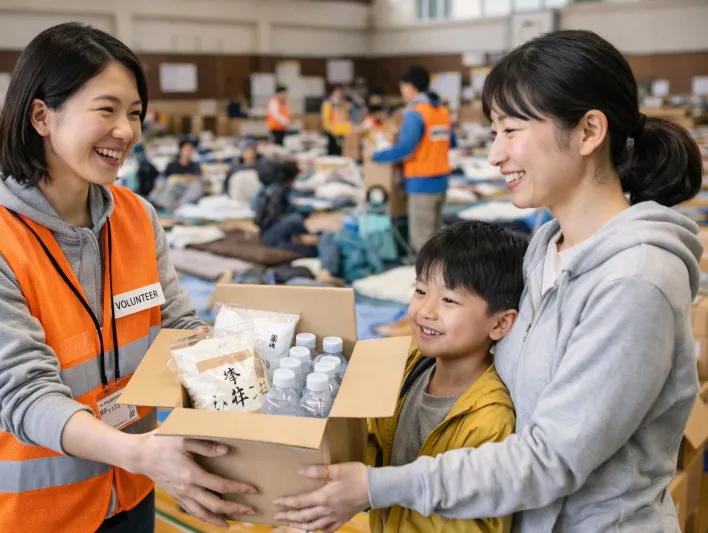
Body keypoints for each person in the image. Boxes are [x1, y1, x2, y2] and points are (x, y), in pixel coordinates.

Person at [271, 29, 703, 532]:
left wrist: (376, 485)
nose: (495, 154)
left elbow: (550, 460)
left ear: (588, 132)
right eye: (493, 131)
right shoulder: (545, 247)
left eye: (511, 130)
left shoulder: (637, 280)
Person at [0, 23, 257, 533]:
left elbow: (175, 325)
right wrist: (138, 452)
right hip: (36, 514)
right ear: (41, 115)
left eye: (134, 114)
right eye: (106, 110)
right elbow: (25, 393)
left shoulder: (135, 216)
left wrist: (251, 385)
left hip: (131, 490)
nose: (126, 131)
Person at [365, 221, 526, 533]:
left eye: (449, 300)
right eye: (420, 291)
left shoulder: (491, 420)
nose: (426, 310)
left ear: (500, 323)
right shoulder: (408, 368)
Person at [367, 66, 455, 253]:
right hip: (441, 181)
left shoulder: (416, 113)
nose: (402, 93)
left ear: (411, 87)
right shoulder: (441, 111)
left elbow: (406, 149)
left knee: (422, 242)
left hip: (422, 183)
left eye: (402, 88)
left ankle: (425, 281)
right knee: (436, 238)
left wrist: (375, 155)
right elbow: (451, 141)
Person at [254, 160, 314, 256]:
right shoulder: (278, 190)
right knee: (295, 220)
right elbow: (275, 216)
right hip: (269, 235)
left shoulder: (271, 187)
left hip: (266, 232)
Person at [321, 86, 352, 156]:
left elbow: (346, 116)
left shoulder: (343, 103)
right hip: (331, 130)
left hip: (341, 129)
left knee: (340, 149)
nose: (339, 94)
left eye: (340, 93)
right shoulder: (328, 103)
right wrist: (329, 129)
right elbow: (325, 118)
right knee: (332, 149)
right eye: (337, 92)